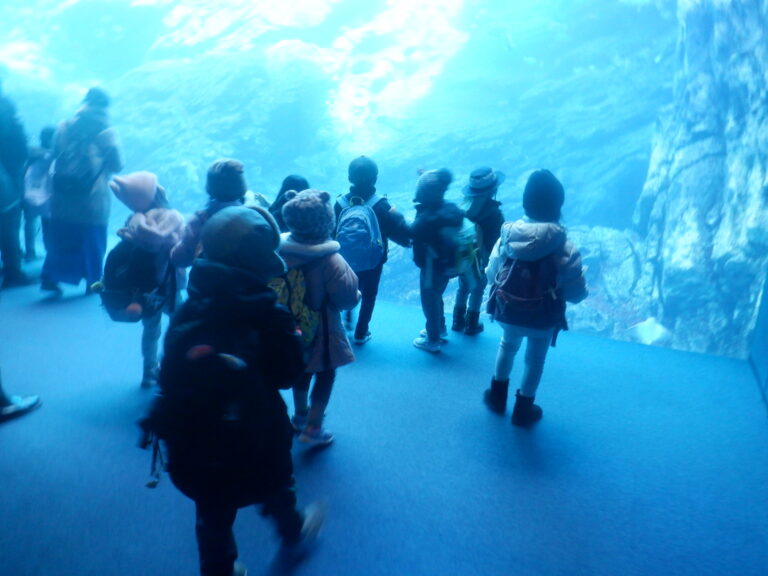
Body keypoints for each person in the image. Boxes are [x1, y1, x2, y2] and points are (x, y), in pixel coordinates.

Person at [142, 206, 324, 576]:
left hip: (196, 447)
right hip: (257, 441)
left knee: (211, 511)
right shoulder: (271, 315)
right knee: (277, 487)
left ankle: (219, 567)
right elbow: (287, 375)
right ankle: (294, 532)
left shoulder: (189, 310)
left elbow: (171, 374)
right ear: (260, 263)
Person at [483, 169, 587, 426]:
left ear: (525, 201)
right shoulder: (564, 243)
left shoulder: (507, 234)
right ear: (557, 205)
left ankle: (497, 396)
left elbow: (491, 272)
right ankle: (523, 408)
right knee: (535, 358)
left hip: (508, 310)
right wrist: (577, 295)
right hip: (543, 316)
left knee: (507, 346)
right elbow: (575, 289)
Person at [279, 189, 360, 446]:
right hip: (323, 330)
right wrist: (355, 296)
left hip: (289, 326)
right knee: (325, 374)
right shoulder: (331, 260)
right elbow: (347, 297)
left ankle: (300, 416)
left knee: (300, 369)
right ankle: (313, 427)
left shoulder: (280, 253)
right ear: (326, 220)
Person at [41, 87, 122, 295]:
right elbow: (116, 165)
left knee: (61, 237)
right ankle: (93, 282)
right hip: (92, 198)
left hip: (63, 195)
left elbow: (55, 153)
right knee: (93, 239)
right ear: (105, 106)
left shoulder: (64, 126)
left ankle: (50, 277)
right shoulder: (106, 131)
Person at [109, 171, 184, 387]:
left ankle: (149, 371)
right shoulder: (172, 217)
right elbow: (177, 250)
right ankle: (173, 366)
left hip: (143, 288)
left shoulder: (134, 219)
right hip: (169, 284)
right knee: (179, 322)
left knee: (151, 329)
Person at [334, 156, 411, 344]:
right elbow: (395, 231)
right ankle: (362, 332)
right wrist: (407, 241)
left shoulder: (340, 203)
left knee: (346, 287)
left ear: (349, 178)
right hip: (373, 261)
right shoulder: (382, 205)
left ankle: (344, 321)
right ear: (375, 178)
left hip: (343, 259)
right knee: (369, 294)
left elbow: (331, 231)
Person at [410, 168, 464, 352]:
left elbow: (412, 234)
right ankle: (440, 328)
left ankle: (433, 339)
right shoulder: (449, 211)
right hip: (448, 266)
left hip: (431, 268)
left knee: (429, 301)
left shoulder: (426, 219)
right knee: (437, 296)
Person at [451, 166, 505, 336]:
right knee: (477, 289)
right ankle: (471, 323)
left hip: (463, 257)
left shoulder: (463, 207)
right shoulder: (494, 213)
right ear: (494, 189)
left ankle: (457, 321)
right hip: (482, 259)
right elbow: (498, 240)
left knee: (463, 288)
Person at [170, 159, 248, 269]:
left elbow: (179, 259)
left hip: (208, 282)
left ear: (210, 186)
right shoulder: (252, 216)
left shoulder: (199, 221)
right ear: (241, 184)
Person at [0, 80, 30, 289]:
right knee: (8, 222)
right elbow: (17, 147)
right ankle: (12, 271)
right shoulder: (5, 107)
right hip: (5, 177)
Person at [22, 126, 56, 261]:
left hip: (30, 193)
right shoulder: (55, 154)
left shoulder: (33, 153)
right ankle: (48, 252)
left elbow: (25, 170)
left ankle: (30, 252)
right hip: (47, 195)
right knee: (46, 224)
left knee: (30, 222)